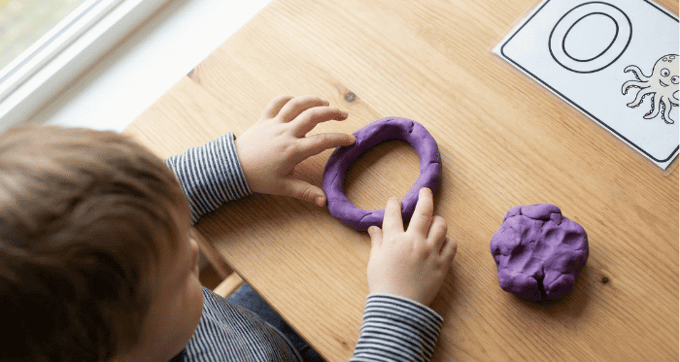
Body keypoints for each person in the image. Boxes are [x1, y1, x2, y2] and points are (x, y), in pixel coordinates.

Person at [0, 95, 457, 362]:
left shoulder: (108, 313)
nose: (193, 252)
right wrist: (398, 304)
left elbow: (135, 208)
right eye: (183, 275)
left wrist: (235, 163)